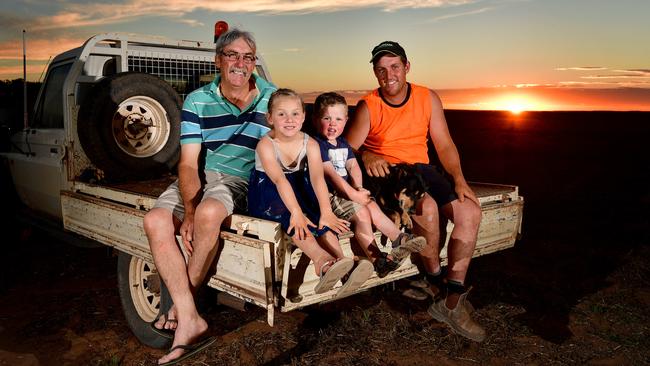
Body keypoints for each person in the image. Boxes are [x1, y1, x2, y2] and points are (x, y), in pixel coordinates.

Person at [143, 28, 277, 365]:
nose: (240, 63)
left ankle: (180, 311)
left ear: (254, 63)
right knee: (155, 219)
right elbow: (188, 163)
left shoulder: (273, 97)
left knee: (209, 212)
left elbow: (291, 143)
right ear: (218, 60)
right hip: (203, 173)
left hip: (242, 179)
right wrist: (188, 210)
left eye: (248, 57)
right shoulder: (197, 100)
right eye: (232, 55)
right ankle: (190, 315)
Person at [345, 41, 485, 342]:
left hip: (422, 169)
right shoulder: (369, 106)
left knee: (471, 211)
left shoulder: (427, 97)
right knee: (428, 209)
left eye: (395, 67)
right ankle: (436, 284)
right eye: (381, 70)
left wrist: (459, 178)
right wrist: (367, 155)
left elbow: (444, 144)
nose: (389, 75)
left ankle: (452, 294)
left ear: (407, 67)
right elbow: (346, 151)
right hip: (391, 174)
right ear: (375, 73)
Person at [248, 88, 373, 297]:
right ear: (269, 118)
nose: (289, 120)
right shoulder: (265, 145)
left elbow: (317, 178)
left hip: (298, 187)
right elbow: (279, 180)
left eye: (295, 113)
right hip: (269, 193)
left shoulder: (310, 143)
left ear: (304, 116)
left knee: (319, 219)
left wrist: (326, 211)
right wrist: (296, 212)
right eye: (281, 114)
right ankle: (322, 263)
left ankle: (343, 265)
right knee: (296, 220)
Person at [312, 92, 426, 278]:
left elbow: (353, 166)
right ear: (316, 119)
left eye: (338, 119)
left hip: (345, 192)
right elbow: (331, 175)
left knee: (370, 204)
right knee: (362, 212)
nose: (333, 124)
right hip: (328, 194)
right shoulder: (316, 144)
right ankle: (377, 257)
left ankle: (398, 238)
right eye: (327, 118)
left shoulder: (342, 143)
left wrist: (358, 188)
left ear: (346, 120)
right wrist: (353, 194)